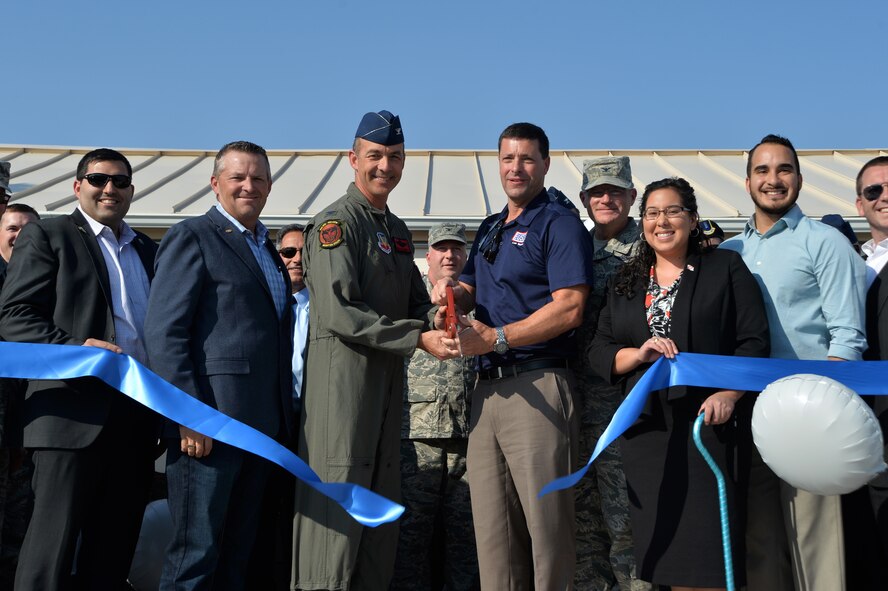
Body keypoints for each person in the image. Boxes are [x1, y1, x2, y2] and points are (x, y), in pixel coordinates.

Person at [292, 110, 455, 591]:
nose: (386, 166)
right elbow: (341, 311)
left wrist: (438, 318)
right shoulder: (334, 225)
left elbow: (416, 304)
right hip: (342, 390)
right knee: (335, 521)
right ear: (353, 159)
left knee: (378, 521)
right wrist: (417, 336)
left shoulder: (398, 230)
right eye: (376, 156)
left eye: (396, 157)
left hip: (386, 390)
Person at [588, 177, 769, 589]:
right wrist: (638, 354)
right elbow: (599, 349)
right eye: (652, 213)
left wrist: (730, 392)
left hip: (709, 430)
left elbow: (753, 339)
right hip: (648, 435)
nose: (662, 221)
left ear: (692, 218)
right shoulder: (626, 282)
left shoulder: (725, 268)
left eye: (672, 211)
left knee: (707, 557)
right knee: (664, 557)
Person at [435, 122, 594, 589]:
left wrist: (499, 338)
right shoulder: (490, 227)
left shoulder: (558, 223)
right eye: (508, 158)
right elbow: (474, 291)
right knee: (495, 539)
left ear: (545, 164)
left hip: (539, 384)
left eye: (527, 159)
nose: (516, 168)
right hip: (487, 391)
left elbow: (570, 308)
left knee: (547, 536)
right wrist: (453, 295)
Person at [0, 148, 159, 589]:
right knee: (49, 556)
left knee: (112, 554)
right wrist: (77, 351)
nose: (110, 188)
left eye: (121, 181)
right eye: (98, 179)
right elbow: (14, 317)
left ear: (131, 190)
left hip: (137, 417)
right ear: (77, 186)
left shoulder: (149, 248)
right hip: (70, 417)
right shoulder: (48, 235)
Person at [720, 134, 867, 591]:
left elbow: (848, 334)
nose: (773, 180)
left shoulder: (825, 243)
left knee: (815, 543)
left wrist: (828, 411)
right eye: (762, 170)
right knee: (760, 539)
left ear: (799, 178)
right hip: (747, 411)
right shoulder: (728, 253)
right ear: (746, 182)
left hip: (810, 414)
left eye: (784, 169)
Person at [145, 140, 293, 590]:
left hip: (262, 430)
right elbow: (164, 333)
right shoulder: (193, 235)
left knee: (238, 558)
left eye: (258, 177)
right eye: (238, 177)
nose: (249, 185)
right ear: (215, 184)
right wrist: (189, 417)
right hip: (209, 430)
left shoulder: (267, 249)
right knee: (195, 556)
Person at [572, 156, 648, 591]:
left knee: (626, 523)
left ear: (631, 197)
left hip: (626, 405)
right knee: (584, 524)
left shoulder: (650, 246)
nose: (606, 199)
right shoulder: (574, 247)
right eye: (597, 192)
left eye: (615, 191)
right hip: (578, 401)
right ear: (585, 199)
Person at [391, 222, 479, 591]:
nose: (449, 255)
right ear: (427, 257)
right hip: (417, 442)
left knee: (466, 542)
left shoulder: (482, 309)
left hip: (469, 442)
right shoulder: (411, 307)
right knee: (411, 540)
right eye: (441, 249)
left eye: (457, 249)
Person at [248, 222, 309, 591]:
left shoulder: (326, 309)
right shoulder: (262, 305)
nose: (297, 259)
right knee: (261, 520)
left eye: (305, 252)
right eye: (288, 252)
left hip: (309, 427)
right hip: (266, 429)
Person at [0, 201, 38, 586]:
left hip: (31, 431)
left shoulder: (48, 288)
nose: (20, 236)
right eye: (12, 228)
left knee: (22, 535)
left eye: (30, 230)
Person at [854, 155, 888, 584]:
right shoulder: (850, 262)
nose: (885, 197)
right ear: (860, 205)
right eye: (874, 191)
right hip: (859, 428)